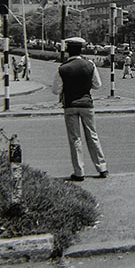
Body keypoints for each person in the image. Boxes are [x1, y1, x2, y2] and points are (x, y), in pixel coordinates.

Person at [52, 37, 108, 182]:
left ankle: (79, 172)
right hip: (87, 105)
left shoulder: (62, 68)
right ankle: (102, 168)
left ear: (68, 51)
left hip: (70, 105)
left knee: (75, 139)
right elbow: (97, 85)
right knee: (92, 135)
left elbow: (56, 90)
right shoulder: (90, 65)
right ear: (81, 50)